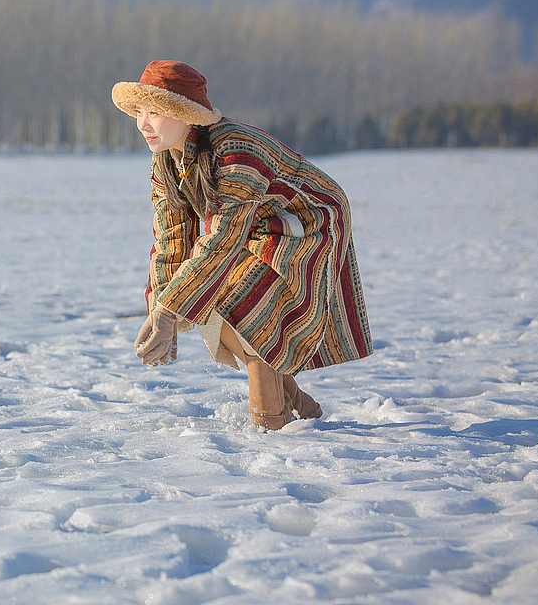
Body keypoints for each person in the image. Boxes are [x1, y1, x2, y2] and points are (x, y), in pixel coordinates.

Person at [112, 61, 372, 430]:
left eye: (155, 112)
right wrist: (160, 310)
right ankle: (296, 402)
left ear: (187, 115)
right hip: (252, 228)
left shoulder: (236, 153)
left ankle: (271, 424)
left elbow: (222, 240)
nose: (142, 124)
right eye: (139, 111)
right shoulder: (165, 162)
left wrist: (172, 311)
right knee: (206, 298)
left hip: (309, 221)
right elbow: (172, 239)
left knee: (244, 307)